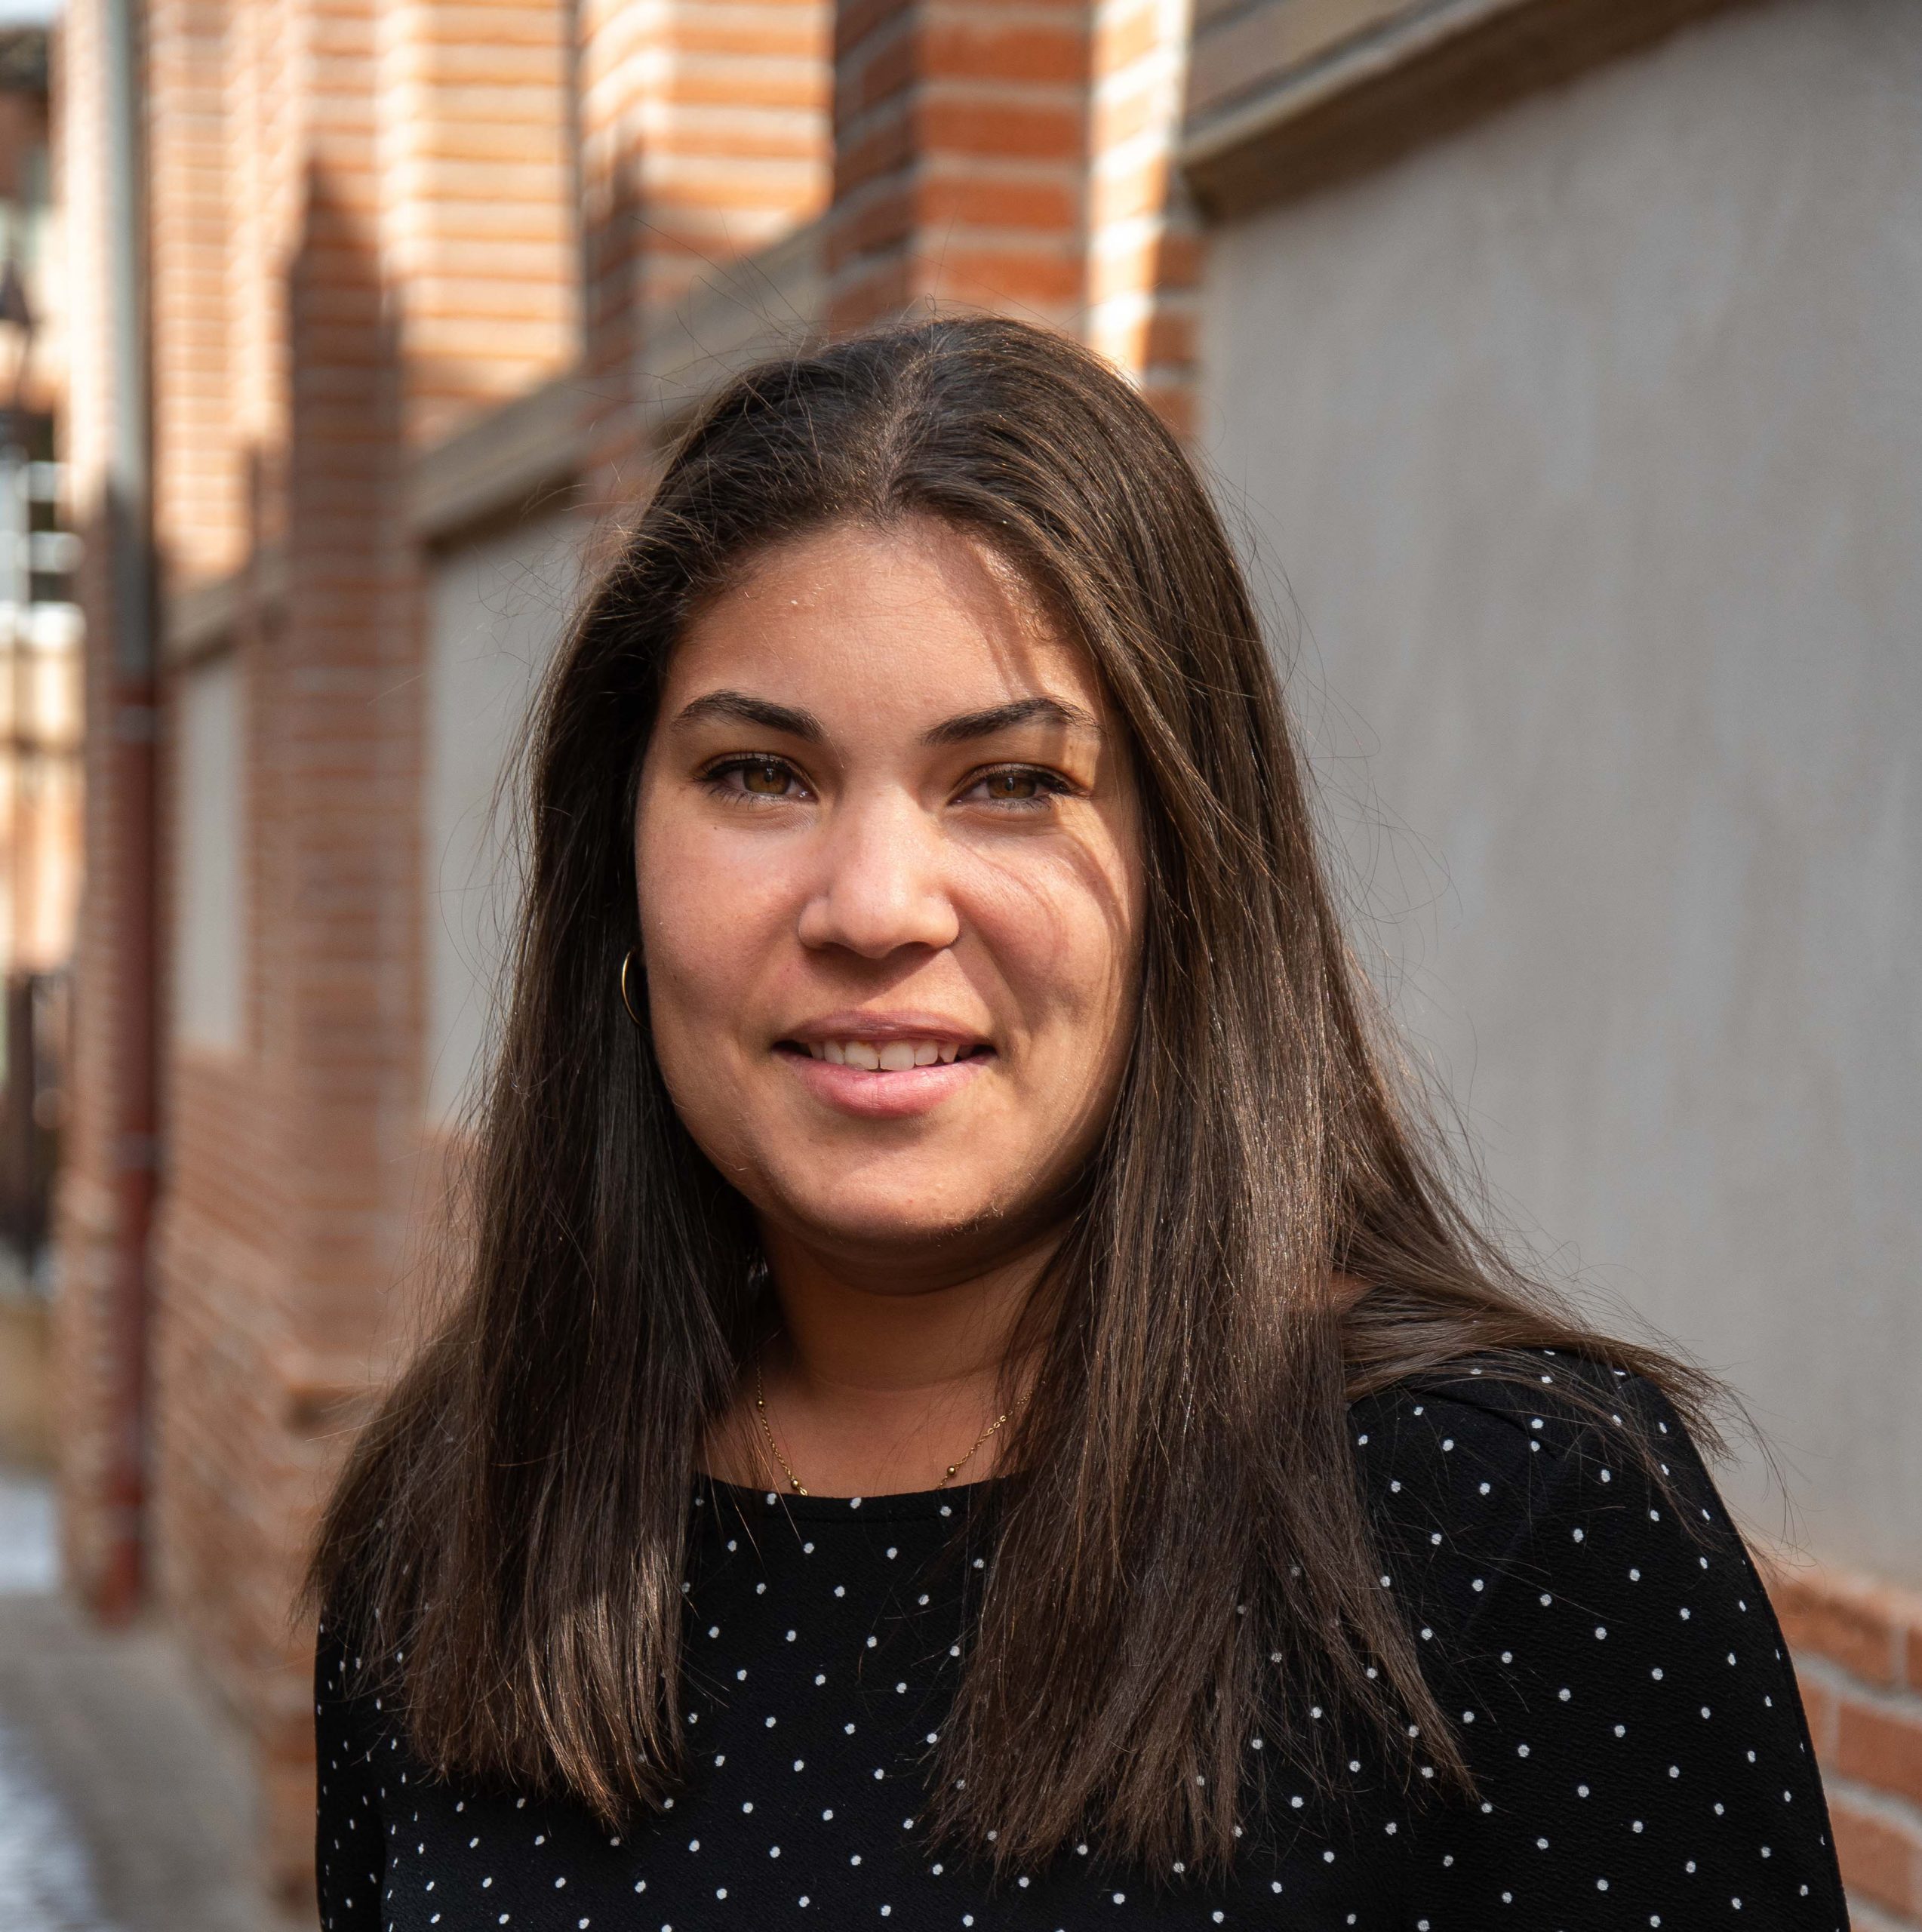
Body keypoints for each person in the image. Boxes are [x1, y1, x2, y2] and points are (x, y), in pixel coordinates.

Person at [305, 315, 1847, 1930]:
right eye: (761, 773)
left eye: (1011, 783)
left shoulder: (1513, 1523)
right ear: (616, 852)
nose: (875, 906)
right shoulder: (464, 1511)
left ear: (1188, 867)